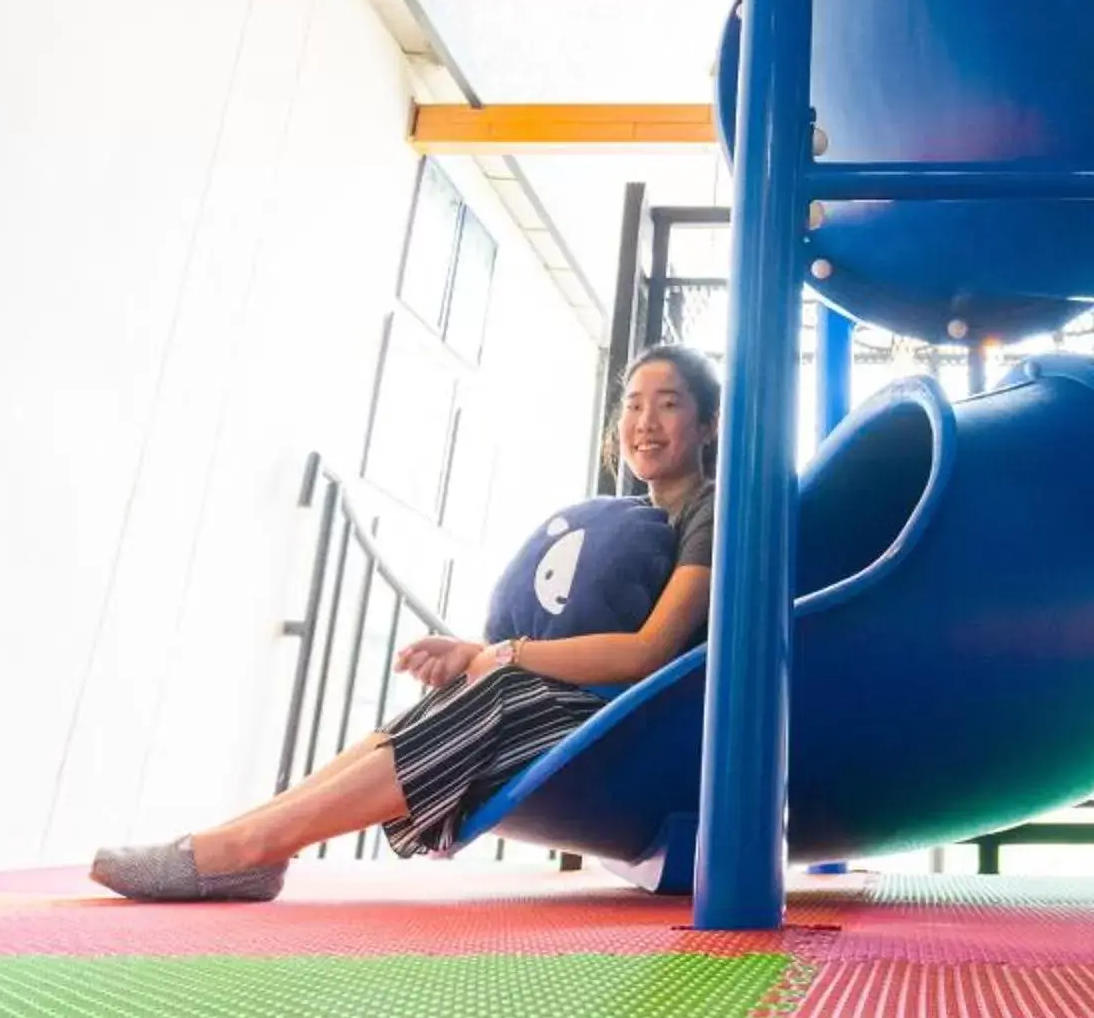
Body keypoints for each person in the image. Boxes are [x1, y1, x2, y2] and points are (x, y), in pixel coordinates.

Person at [91, 345, 722, 901]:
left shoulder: (712, 510)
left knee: (500, 684)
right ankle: (246, 840)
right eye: (634, 404)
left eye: (667, 405)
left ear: (707, 424)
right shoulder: (630, 522)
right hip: (594, 714)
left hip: (652, 735)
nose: (645, 422)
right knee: (477, 684)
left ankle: (246, 849)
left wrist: (499, 655)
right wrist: (480, 655)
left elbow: (649, 653)